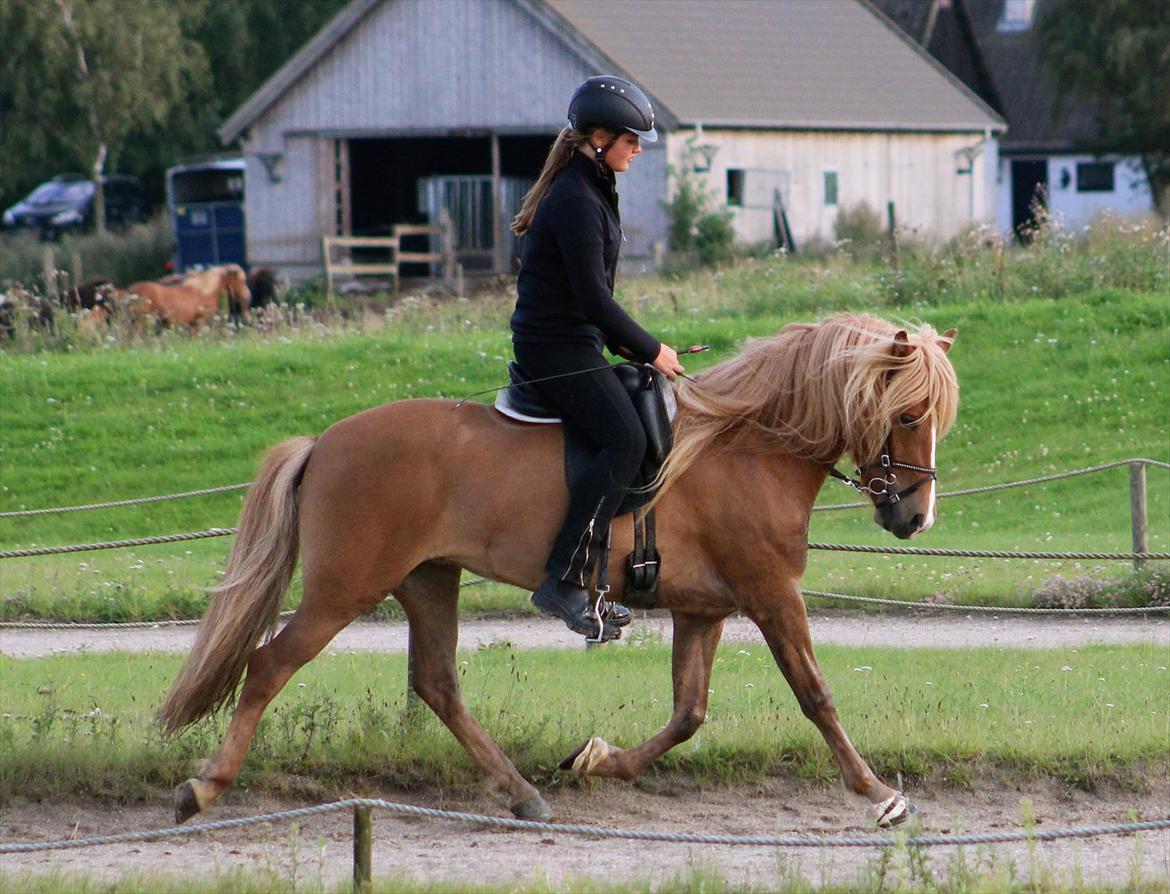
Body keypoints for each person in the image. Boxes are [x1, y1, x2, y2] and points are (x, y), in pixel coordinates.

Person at [510, 75, 685, 641]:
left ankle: (604, 579)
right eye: (631, 141)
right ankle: (561, 578)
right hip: (554, 349)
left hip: (576, 342)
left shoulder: (593, 188)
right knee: (625, 439)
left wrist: (637, 351)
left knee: (642, 412)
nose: (637, 151)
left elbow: (592, 304)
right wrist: (652, 349)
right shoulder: (575, 199)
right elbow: (593, 300)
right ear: (599, 138)